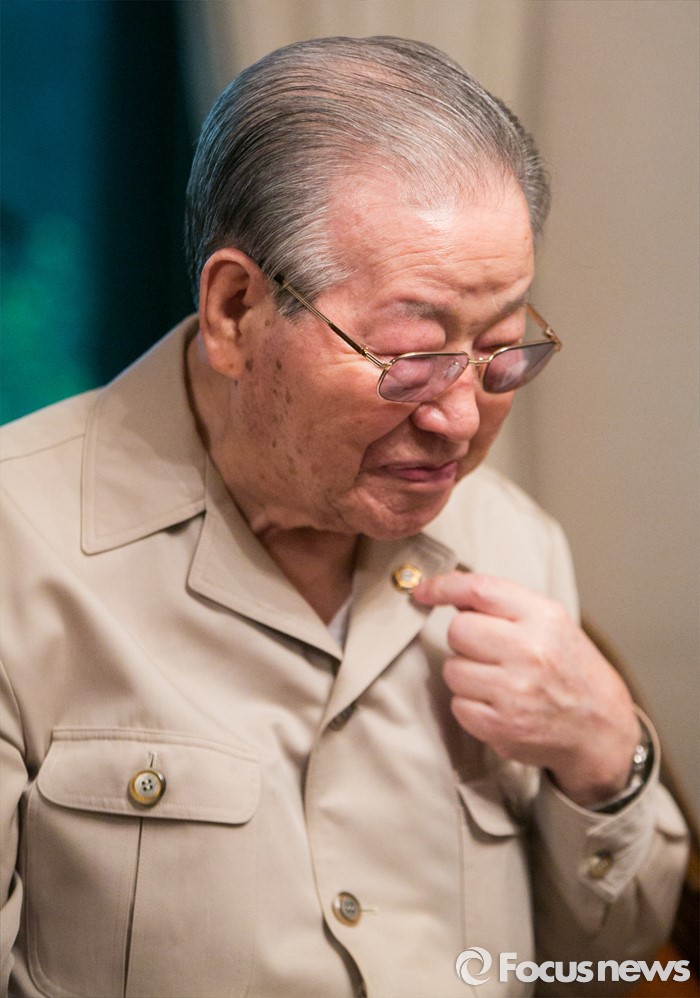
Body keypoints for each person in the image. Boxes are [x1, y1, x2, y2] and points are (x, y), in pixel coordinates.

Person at [0, 35, 688, 998]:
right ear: (237, 310)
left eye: (501, 348)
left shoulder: (511, 542)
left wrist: (610, 759)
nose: (459, 420)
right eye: (411, 357)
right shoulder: (20, 548)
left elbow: (606, 969)